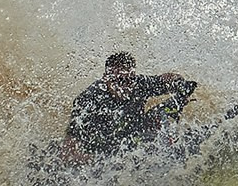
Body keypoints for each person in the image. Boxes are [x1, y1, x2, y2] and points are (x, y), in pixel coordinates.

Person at [59, 52, 197, 164]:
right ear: (106, 78)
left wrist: (177, 80)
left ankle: (174, 148)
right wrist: (105, 162)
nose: (126, 86)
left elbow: (165, 79)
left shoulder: (138, 83)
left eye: (130, 80)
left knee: (173, 102)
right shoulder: (88, 101)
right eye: (119, 81)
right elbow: (68, 153)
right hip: (102, 151)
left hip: (135, 137)